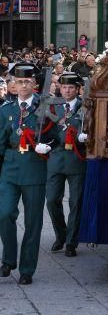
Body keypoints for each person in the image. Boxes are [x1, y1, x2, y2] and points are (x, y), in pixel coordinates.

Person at [0, 65, 58, 284]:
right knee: (4, 214)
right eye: (19, 81)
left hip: (34, 168)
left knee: (33, 222)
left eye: (27, 82)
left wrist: (48, 145)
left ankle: (26, 269)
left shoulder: (44, 107)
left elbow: (56, 136)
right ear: (13, 84)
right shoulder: (6, 110)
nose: (23, 85)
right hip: (10, 168)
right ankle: (8, 260)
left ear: (34, 83)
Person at [46, 73, 87, 257]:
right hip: (56, 157)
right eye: (64, 87)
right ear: (60, 88)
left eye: (71, 87)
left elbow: (91, 128)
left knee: (75, 202)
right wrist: (46, 145)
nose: (67, 90)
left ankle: (71, 241)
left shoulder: (85, 106)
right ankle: (61, 234)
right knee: (52, 200)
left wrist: (84, 139)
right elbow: (47, 132)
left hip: (76, 158)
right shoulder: (54, 107)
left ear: (77, 89)